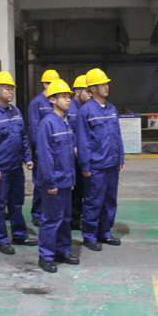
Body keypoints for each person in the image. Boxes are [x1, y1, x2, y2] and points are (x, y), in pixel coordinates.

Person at [0, 71, 38, 255]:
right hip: (0, 170)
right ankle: (2, 240)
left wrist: (27, 158)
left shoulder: (15, 111)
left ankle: (19, 235)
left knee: (16, 203)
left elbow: (22, 137)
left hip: (15, 168)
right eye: (7, 88)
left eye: (12, 88)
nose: (11, 92)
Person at [76, 68, 125, 252]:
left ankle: (104, 232)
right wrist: (85, 165)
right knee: (93, 201)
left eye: (106, 84)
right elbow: (83, 141)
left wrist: (120, 157)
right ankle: (89, 236)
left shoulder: (111, 108)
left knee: (110, 201)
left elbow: (117, 135)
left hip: (112, 163)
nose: (106, 87)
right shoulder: (86, 111)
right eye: (102, 84)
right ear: (93, 88)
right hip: (96, 165)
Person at [36, 79, 79, 273]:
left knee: (65, 219)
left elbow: (68, 154)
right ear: (52, 99)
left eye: (69, 96)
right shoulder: (48, 123)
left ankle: (62, 251)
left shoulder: (65, 121)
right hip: (53, 182)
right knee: (51, 219)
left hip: (66, 181)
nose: (68, 100)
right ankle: (45, 256)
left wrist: (72, 179)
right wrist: (51, 182)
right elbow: (45, 156)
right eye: (63, 97)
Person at [28, 70, 61, 227]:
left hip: (55, 150)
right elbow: (33, 127)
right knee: (40, 181)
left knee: (54, 181)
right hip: (42, 150)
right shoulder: (37, 103)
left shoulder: (56, 101)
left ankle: (50, 211)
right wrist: (37, 148)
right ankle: (37, 213)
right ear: (45, 84)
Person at [66, 75, 92, 231]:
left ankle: (79, 216)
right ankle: (73, 219)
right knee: (74, 189)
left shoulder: (88, 109)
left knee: (82, 188)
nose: (90, 94)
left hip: (85, 156)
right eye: (87, 91)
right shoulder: (69, 110)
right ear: (77, 91)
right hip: (73, 157)